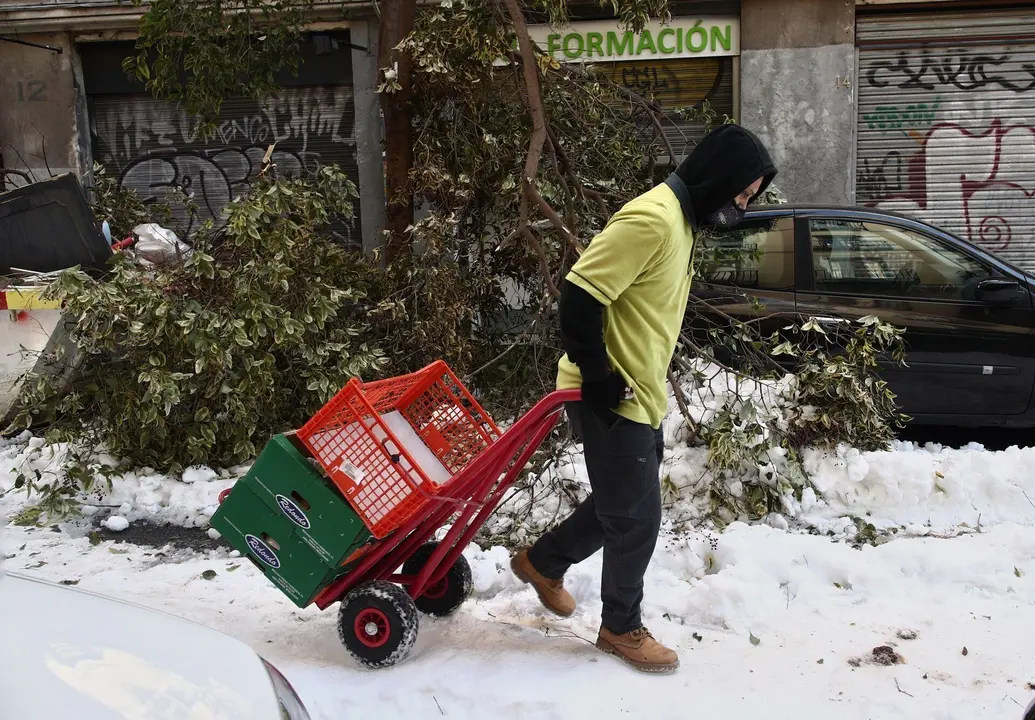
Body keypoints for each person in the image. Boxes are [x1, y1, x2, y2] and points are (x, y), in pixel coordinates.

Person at [510, 124, 777, 674]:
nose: (742, 206)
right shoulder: (652, 219)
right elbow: (580, 293)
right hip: (610, 390)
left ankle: (543, 563)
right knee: (637, 518)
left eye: (750, 198)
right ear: (719, 176)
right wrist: (599, 376)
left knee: (622, 504)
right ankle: (621, 627)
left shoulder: (682, 224)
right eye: (742, 193)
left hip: (640, 391)